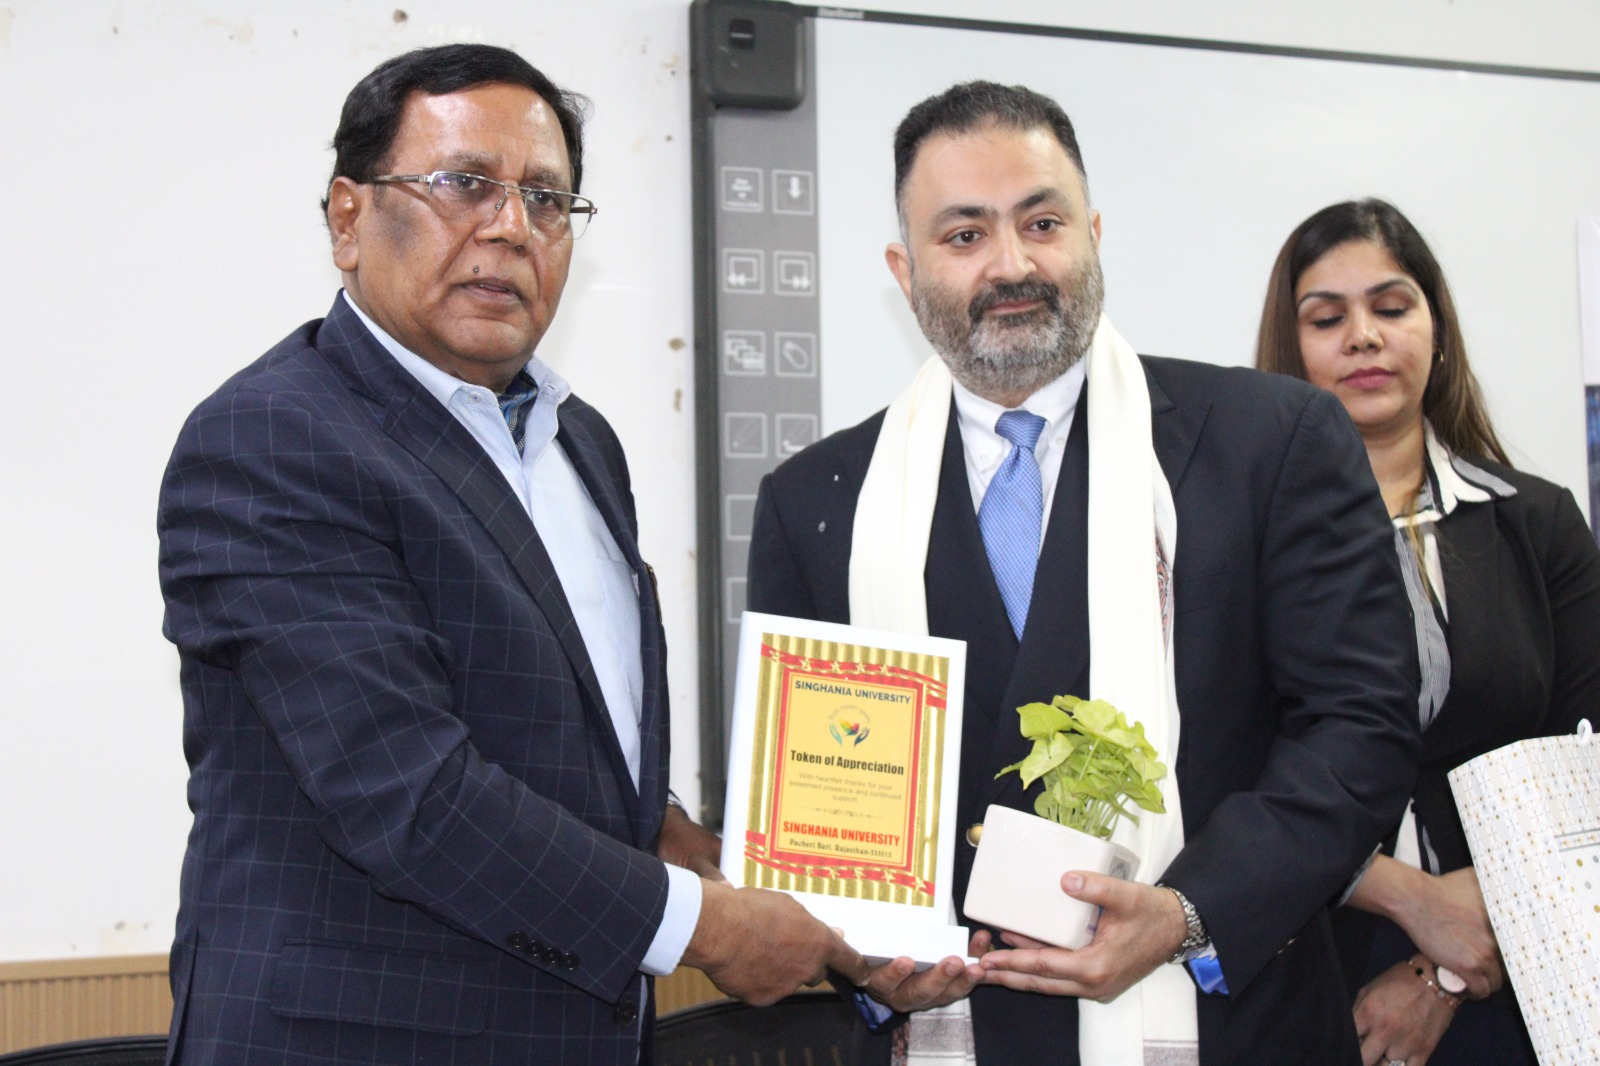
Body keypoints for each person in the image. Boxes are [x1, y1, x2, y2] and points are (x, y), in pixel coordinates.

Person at [157, 43, 866, 1065]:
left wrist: (674, 836)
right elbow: (406, 793)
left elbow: (556, 729)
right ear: (348, 219)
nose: (509, 226)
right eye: (463, 184)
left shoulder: (582, 443)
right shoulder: (274, 438)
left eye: (546, 198)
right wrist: (702, 925)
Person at [745, 81, 1419, 1065]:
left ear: (1093, 234)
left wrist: (1189, 911)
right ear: (904, 269)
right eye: (964, 234)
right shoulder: (817, 502)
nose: (1012, 264)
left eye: (1043, 222)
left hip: (1226, 1025)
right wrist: (864, 957)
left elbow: (1361, 728)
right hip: (954, 1032)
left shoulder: (1269, 442)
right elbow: (815, 812)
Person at [1256, 198, 1600, 1066]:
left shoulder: (1539, 524)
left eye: (1392, 307)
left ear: (1437, 331)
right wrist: (1403, 895)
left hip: (1514, 961)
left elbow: (1583, 772)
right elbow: (1222, 759)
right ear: (1290, 349)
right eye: (1327, 319)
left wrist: (1442, 972)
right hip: (1301, 956)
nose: (1364, 337)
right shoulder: (1232, 539)